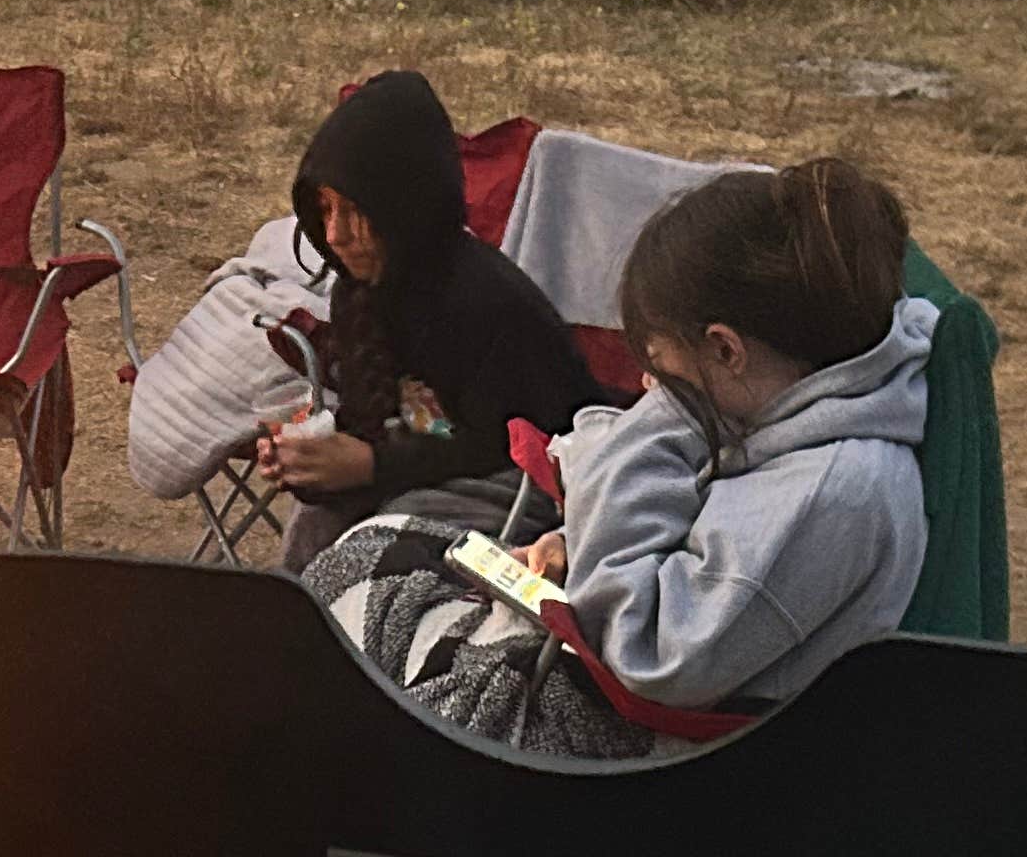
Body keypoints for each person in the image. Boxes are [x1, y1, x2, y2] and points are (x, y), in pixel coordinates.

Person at [519, 158, 934, 715]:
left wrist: (655, 425)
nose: (651, 386)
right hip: (686, 718)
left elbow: (646, 655)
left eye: (662, 368)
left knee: (384, 580)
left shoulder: (832, 494)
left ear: (724, 350)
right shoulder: (788, 410)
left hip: (710, 765)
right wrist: (585, 544)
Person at [257, 71, 597, 569]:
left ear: (404, 207)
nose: (335, 234)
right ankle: (302, 635)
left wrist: (373, 465)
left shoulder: (485, 303)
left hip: (541, 485)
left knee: (386, 532)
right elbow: (377, 416)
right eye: (324, 209)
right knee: (317, 526)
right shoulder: (361, 291)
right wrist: (308, 455)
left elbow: (503, 444)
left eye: (355, 211)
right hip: (430, 459)